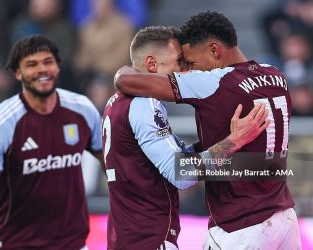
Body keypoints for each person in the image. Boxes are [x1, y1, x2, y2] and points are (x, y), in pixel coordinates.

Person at [114, 12, 301, 250]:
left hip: (239, 224)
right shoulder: (276, 75)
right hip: (285, 218)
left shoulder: (213, 81)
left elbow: (127, 82)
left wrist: (123, 70)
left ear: (214, 50)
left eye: (191, 63)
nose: (188, 71)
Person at [0, 35, 102, 250]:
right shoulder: (2, 123)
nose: (42, 70)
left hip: (73, 245)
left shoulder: (83, 109)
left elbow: (113, 164)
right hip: (16, 245)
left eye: (48, 62)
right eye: (31, 64)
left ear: (58, 67)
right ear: (18, 73)